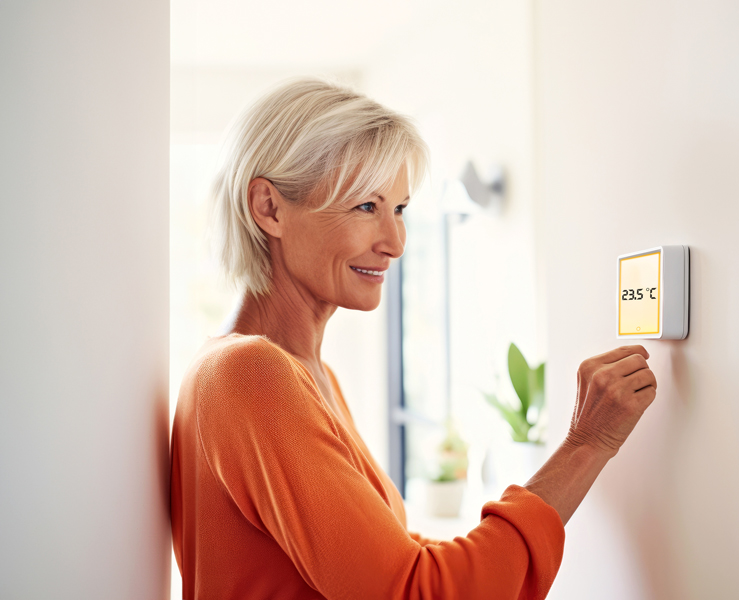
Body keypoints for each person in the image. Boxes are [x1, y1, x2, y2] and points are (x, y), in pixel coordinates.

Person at [169, 78, 658, 600]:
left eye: (400, 209)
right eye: (365, 207)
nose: (395, 243)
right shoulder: (249, 373)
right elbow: (412, 592)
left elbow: (390, 560)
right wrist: (585, 445)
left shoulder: (306, 372)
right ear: (269, 208)